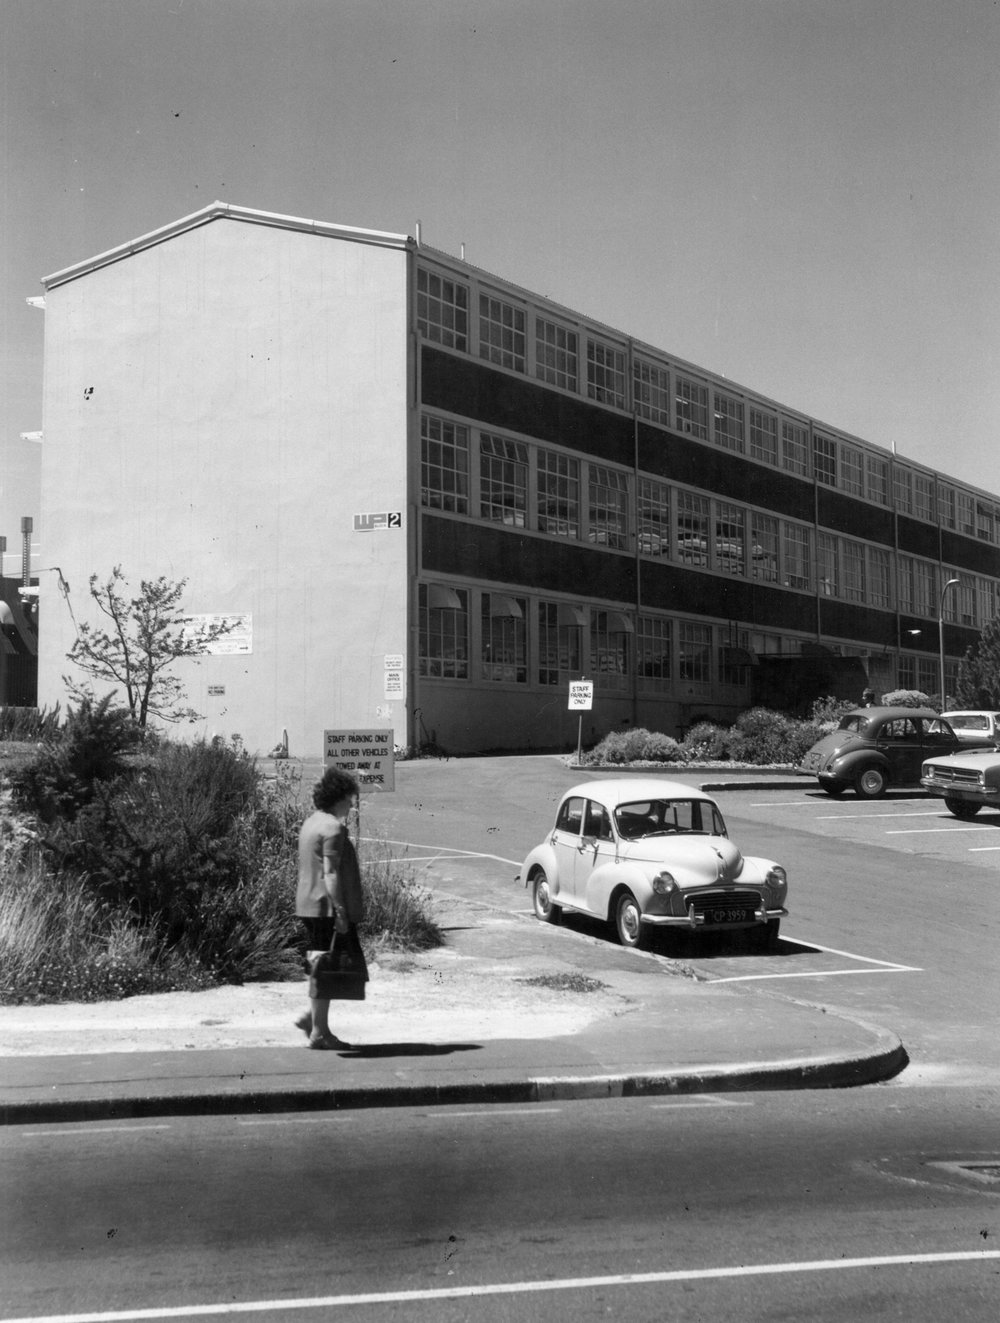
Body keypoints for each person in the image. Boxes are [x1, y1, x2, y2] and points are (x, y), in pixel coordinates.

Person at [295, 767, 364, 1049]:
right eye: (350, 799)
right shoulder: (333, 828)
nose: (352, 804)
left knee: (320, 965)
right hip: (326, 908)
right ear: (338, 797)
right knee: (326, 969)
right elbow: (331, 873)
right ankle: (319, 1033)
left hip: (308, 905)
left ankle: (313, 1019)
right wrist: (341, 911)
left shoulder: (311, 822)